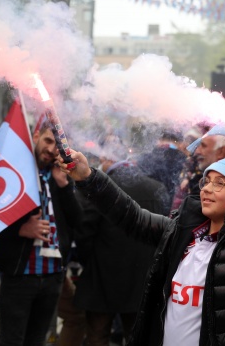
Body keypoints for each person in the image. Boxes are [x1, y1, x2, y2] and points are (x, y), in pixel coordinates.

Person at [60, 127, 225, 346]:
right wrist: (88, 178)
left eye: (219, 184)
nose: (206, 188)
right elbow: (131, 217)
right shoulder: (182, 233)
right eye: (206, 181)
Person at [0, 121, 82, 346]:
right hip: (20, 276)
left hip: (52, 278)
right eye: (48, 141)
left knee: (36, 340)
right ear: (36, 135)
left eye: (57, 147)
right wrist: (19, 230)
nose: (51, 150)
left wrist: (65, 187)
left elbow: (78, 221)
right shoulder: (14, 172)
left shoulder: (58, 178)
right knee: (12, 341)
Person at [74, 147, 168, 345]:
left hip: (102, 277)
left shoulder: (98, 189)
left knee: (97, 336)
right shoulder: (156, 188)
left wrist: (86, 262)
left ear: (110, 160)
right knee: (136, 337)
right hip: (140, 280)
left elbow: (84, 232)